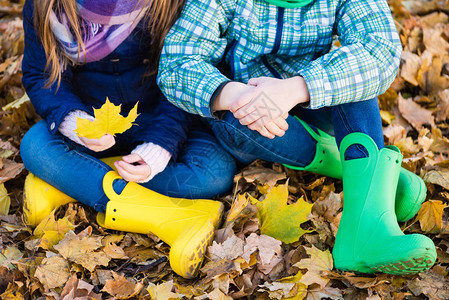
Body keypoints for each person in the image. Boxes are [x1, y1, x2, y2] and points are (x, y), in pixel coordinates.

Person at [157, 0, 437, 274]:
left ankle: (366, 232)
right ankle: (373, 183)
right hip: (244, 117)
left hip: (311, 100)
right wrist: (239, 96)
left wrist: (294, 89)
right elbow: (176, 62)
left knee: (356, 76)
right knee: (241, 118)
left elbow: (381, 49)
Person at [20, 0, 237, 279]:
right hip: (93, 123)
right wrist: (74, 120)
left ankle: (66, 182)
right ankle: (170, 219)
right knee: (35, 146)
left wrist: (159, 147)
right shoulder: (46, 5)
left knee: (215, 172)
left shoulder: (169, 4)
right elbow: (42, 75)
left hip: (160, 118)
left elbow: (186, 73)